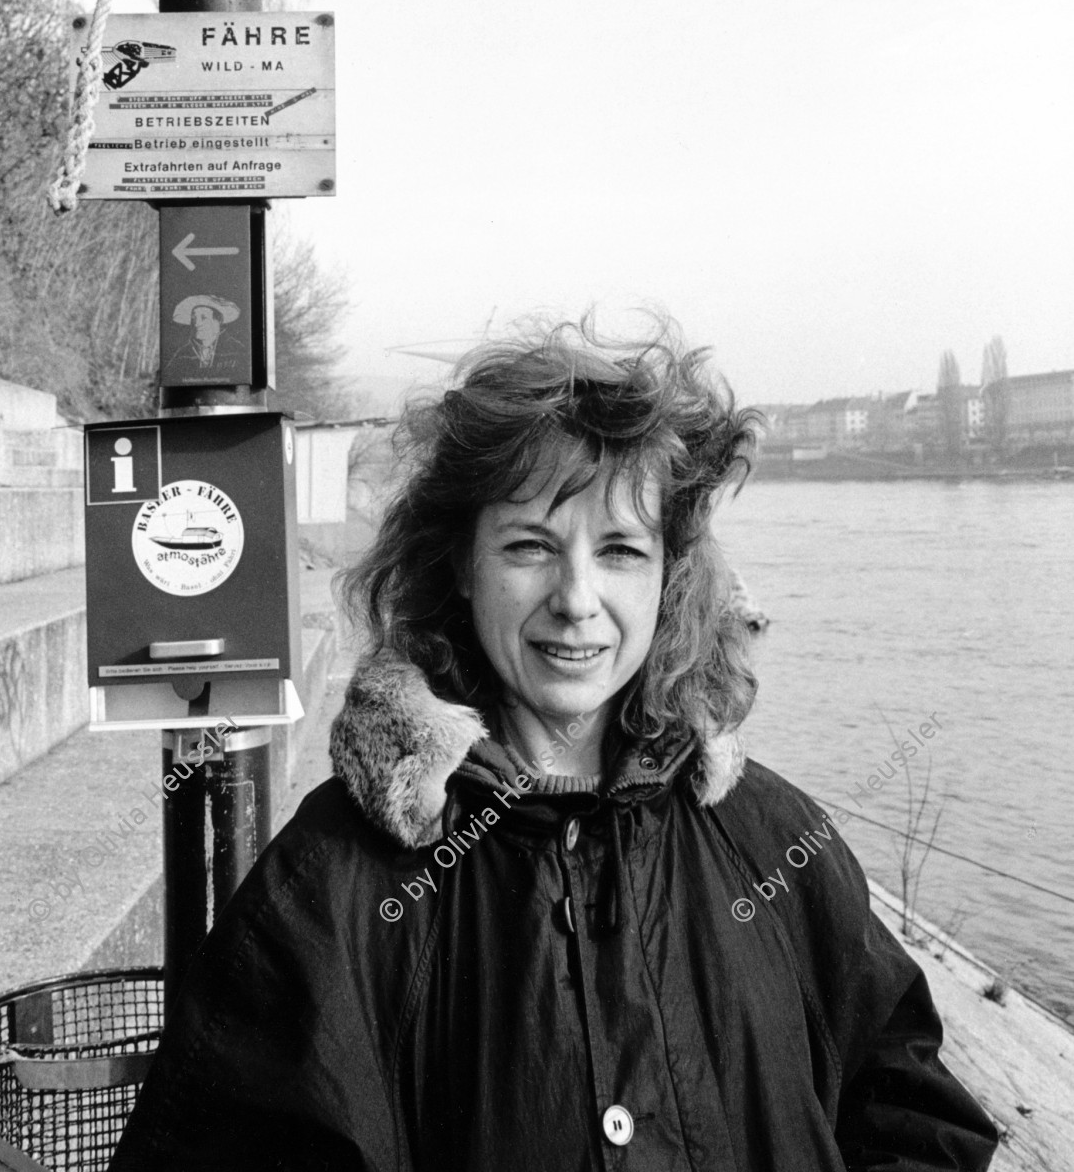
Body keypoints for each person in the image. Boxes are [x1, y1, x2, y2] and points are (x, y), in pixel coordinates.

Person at [111, 319, 999, 1172]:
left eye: (619, 551)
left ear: (667, 578)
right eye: (531, 546)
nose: (577, 599)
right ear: (460, 565)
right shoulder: (332, 883)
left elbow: (914, 1113)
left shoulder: (773, 840)